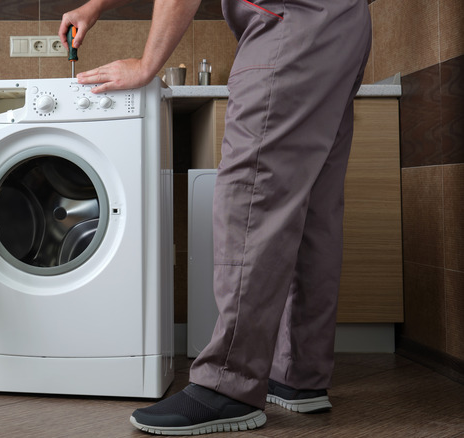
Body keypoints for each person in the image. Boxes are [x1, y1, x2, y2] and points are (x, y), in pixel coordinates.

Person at [60, 0, 372, 435]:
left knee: (252, 197)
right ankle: (298, 376)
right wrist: (95, 5)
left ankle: (228, 386)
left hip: (287, 24)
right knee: (311, 206)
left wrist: (148, 63)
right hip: (339, 22)